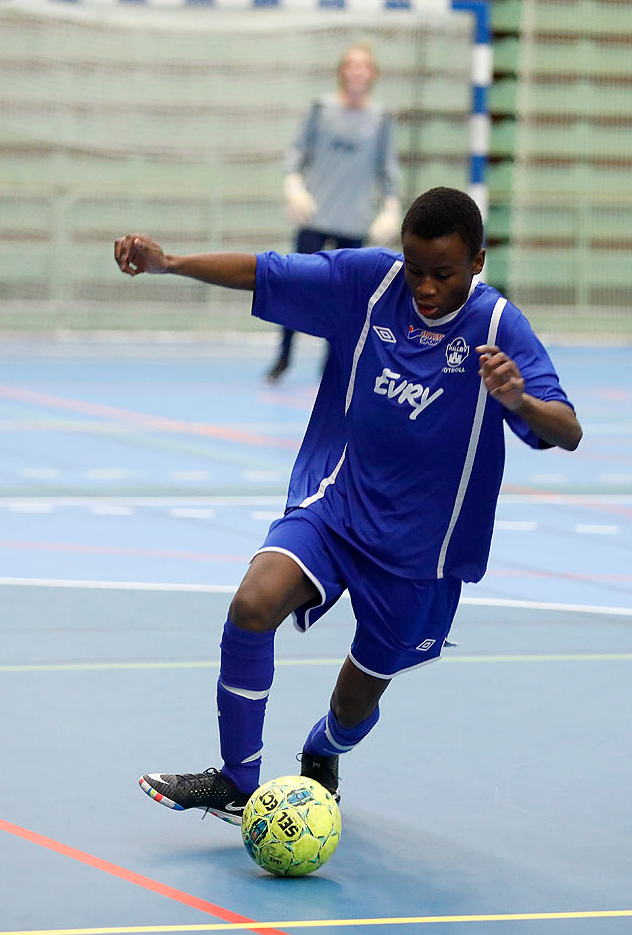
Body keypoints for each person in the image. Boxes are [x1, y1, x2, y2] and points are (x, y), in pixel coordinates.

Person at [115, 187, 582, 824]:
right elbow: (266, 270)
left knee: (355, 705)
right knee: (253, 602)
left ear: (478, 260)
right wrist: (170, 264)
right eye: (415, 269)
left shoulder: (500, 329)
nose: (423, 286)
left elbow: (568, 431)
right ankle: (236, 778)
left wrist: (519, 400)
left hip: (422, 552)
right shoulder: (368, 283)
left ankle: (321, 751)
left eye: (442, 274)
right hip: (339, 508)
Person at [267, 41, 403, 384]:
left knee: (348, 300)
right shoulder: (320, 109)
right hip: (316, 215)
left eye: (364, 65)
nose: (357, 71)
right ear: (342, 70)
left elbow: (388, 169)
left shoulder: (381, 119)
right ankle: (283, 356)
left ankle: (334, 366)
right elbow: (297, 152)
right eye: (352, 64)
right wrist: (294, 185)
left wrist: (390, 206)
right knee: (296, 287)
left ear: (372, 74)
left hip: (353, 221)